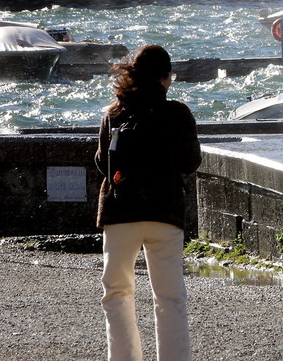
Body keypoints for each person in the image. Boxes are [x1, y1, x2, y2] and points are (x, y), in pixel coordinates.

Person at [94, 44, 201, 361]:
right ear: (165, 78)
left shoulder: (114, 112)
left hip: (120, 213)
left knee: (117, 292)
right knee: (169, 296)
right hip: (164, 213)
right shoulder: (178, 113)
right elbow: (189, 163)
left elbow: (103, 164)